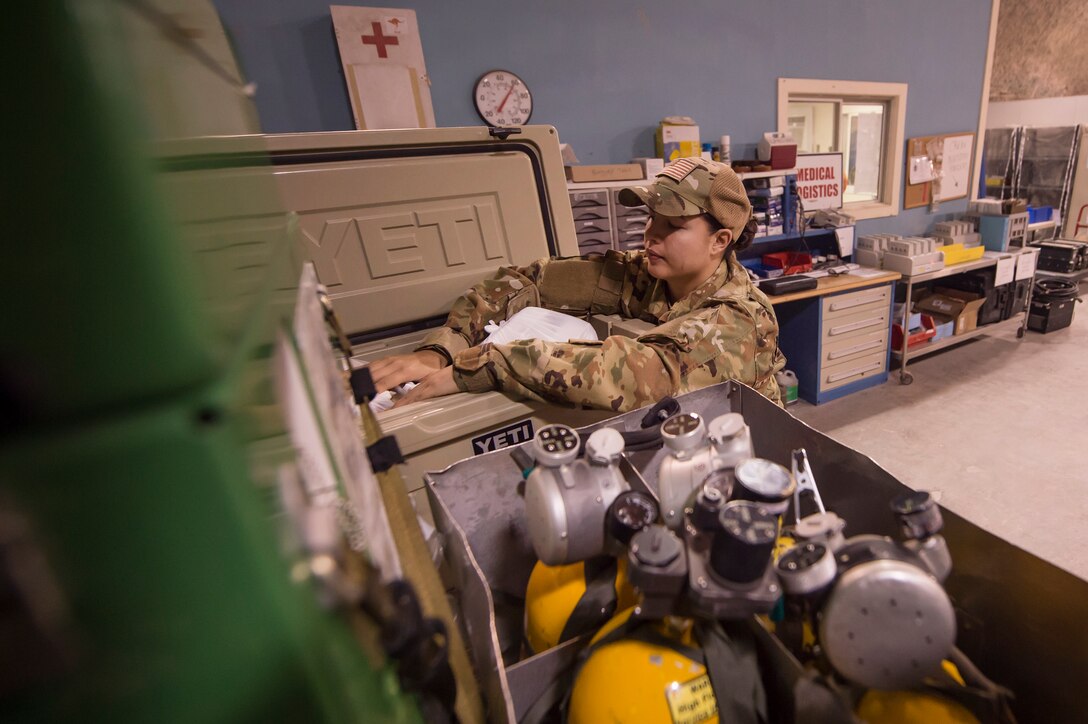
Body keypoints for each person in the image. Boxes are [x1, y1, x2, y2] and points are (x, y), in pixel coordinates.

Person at [370, 156, 786, 410]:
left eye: (673, 226)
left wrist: (490, 361)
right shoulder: (651, 275)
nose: (650, 236)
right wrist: (444, 348)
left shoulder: (738, 321)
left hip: (747, 472)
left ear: (719, 241)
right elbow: (529, 281)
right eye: (651, 219)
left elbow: (635, 374)